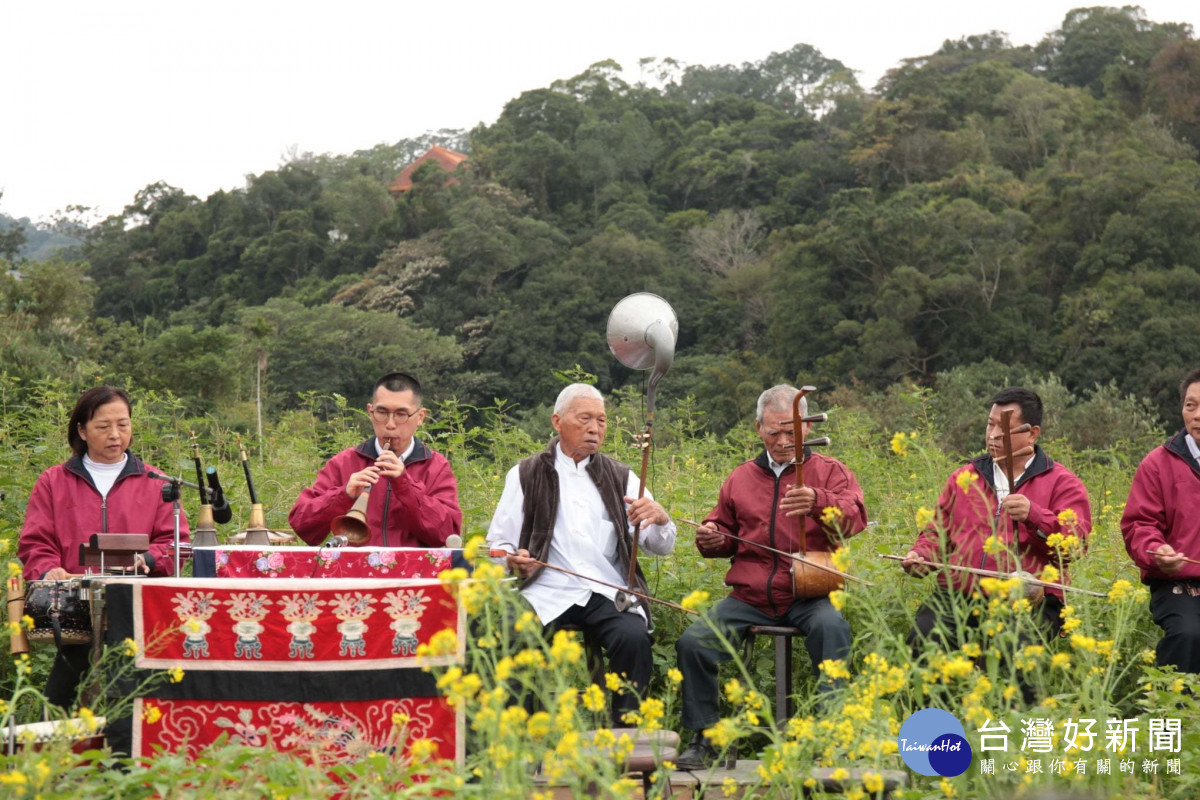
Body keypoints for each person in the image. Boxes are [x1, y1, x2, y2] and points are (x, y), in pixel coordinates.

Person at [674, 384, 867, 770]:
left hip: (810, 593)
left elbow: (855, 518)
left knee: (833, 630)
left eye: (790, 432)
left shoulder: (830, 472)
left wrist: (818, 502)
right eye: (773, 432)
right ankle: (704, 737)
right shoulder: (741, 477)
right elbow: (723, 534)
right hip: (750, 598)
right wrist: (709, 536)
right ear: (757, 428)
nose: (782, 441)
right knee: (693, 642)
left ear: (807, 429)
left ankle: (833, 737)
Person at [486, 383, 675, 723]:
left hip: (605, 590)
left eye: (601, 420)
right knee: (510, 632)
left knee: (632, 638)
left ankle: (626, 742)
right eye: (585, 418)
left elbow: (659, 546)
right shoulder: (526, 473)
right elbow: (499, 545)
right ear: (557, 421)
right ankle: (515, 739)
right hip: (544, 590)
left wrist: (660, 519)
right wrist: (512, 560)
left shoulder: (621, 477)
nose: (595, 428)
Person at [902, 387, 1091, 691]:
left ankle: (1019, 731)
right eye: (989, 425)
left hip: (1031, 600)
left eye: (1002, 428)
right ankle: (940, 731)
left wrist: (1036, 515)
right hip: (961, 595)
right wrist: (920, 556)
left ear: (1032, 434)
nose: (992, 435)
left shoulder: (1062, 483)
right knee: (925, 638)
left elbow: (1076, 545)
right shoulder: (966, 477)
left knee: (1020, 656)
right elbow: (937, 532)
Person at [18, 385, 190, 707]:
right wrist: (47, 568)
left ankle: (129, 748)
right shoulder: (54, 482)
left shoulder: (157, 482)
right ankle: (52, 751)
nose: (115, 434)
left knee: (134, 693)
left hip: (136, 602)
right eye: (103, 426)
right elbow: (35, 540)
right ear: (82, 430)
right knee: (61, 696)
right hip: (75, 605)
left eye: (123, 425)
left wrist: (150, 560)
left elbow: (175, 541)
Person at [289, 372, 462, 547]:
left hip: (413, 572)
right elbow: (303, 528)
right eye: (382, 412)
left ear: (420, 417)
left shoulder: (436, 466)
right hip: (352, 571)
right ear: (370, 412)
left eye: (401, 414)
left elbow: (447, 534)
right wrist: (343, 495)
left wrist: (405, 486)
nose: (390, 424)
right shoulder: (344, 462)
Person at [1121, 367, 1200, 673]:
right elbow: (1139, 525)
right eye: (1190, 406)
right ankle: (1170, 713)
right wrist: (1157, 551)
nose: (1196, 415)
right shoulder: (1158, 464)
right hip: (1178, 584)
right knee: (1188, 635)